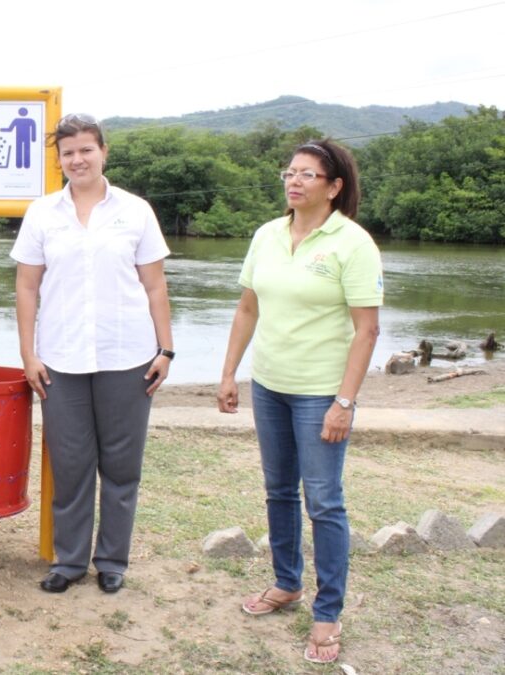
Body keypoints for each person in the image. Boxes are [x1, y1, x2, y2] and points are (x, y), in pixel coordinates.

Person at [217, 139, 382, 665]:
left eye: (308, 175)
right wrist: (229, 373)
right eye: (290, 172)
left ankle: (327, 612)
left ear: (333, 188)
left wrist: (344, 402)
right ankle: (286, 583)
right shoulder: (267, 234)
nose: (294, 181)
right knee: (278, 491)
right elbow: (248, 308)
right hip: (269, 385)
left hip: (320, 393)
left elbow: (367, 330)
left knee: (325, 502)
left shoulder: (353, 244)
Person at [11, 113, 173, 595]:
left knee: (122, 467)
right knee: (71, 463)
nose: (77, 159)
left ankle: (112, 560)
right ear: (58, 159)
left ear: (104, 151)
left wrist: (165, 348)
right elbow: (26, 287)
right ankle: (70, 561)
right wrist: (28, 354)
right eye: (67, 152)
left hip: (128, 357)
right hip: (61, 358)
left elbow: (155, 284)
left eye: (86, 149)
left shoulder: (136, 211)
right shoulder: (42, 213)